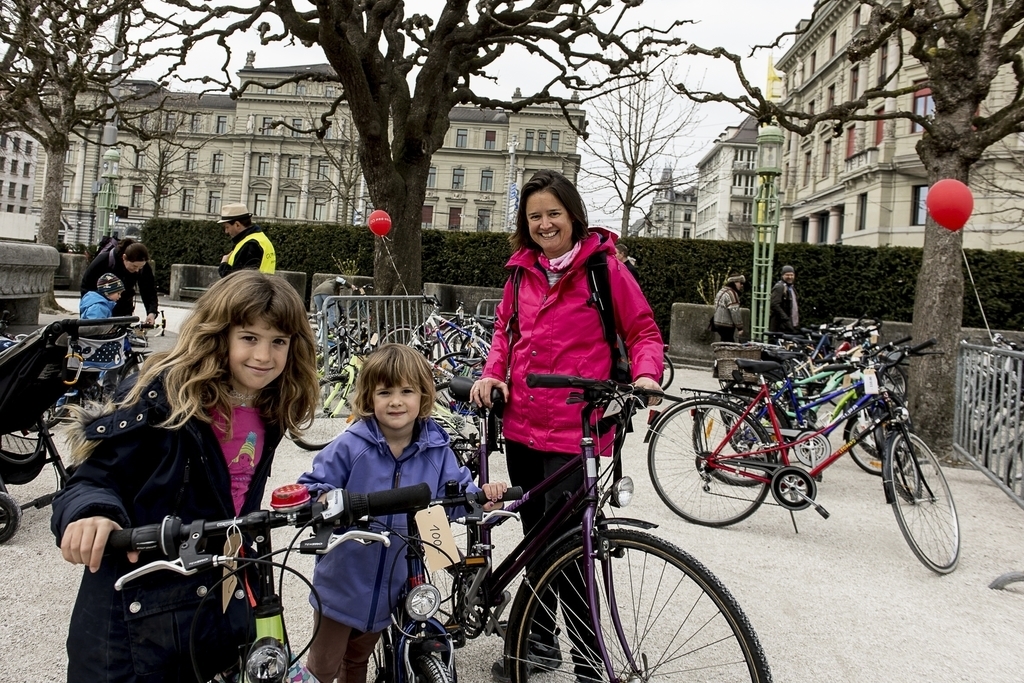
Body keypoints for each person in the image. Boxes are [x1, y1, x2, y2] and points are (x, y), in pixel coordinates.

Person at [51, 270, 319, 683]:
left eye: (278, 341)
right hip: (137, 606)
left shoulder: (270, 404)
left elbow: (236, 498)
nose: (264, 356)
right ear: (219, 334)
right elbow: (92, 478)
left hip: (216, 591)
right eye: (249, 337)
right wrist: (93, 513)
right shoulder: (164, 397)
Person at [467, 169, 663, 683]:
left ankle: (590, 665)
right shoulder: (519, 272)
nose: (545, 223)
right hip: (523, 423)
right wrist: (491, 374)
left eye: (554, 213)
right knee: (536, 539)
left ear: (573, 215)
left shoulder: (604, 270)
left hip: (579, 427)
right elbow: (504, 334)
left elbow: (642, 328)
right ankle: (539, 643)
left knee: (573, 550)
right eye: (535, 216)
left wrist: (645, 375)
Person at [296, 343, 507, 683]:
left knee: (357, 660)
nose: (396, 401)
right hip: (342, 583)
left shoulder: (437, 449)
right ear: (368, 398)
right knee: (323, 668)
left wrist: (484, 499)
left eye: (407, 391)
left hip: (393, 584)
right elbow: (311, 488)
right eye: (385, 392)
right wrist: (323, 503)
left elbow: (457, 496)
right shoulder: (351, 445)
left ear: (424, 397)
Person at [80, 238, 158, 324]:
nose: (137, 270)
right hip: (101, 307)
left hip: (125, 307)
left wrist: (151, 312)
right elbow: (86, 286)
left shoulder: (141, 264)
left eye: (140, 267)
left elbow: (149, 290)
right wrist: (93, 306)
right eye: (134, 266)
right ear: (124, 257)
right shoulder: (104, 260)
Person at [217, 203, 277, 277]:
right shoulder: (260, 239)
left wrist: (223, 266)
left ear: (237, 225)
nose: (226, 231)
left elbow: (239, 280)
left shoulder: (250, 245)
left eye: (227, 227)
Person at [712, 273, 745, 343]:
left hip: (717, 322)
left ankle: (722, 354)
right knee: (730, 345)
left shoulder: (722, 290)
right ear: (735, 282)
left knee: (724, 342)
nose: (742, 285)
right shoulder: (732, 293)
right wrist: (740, 328)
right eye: (741, 283)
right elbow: (735, 311)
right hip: (726, 324)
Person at [769, 264, 799, 334]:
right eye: (787, 275)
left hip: (790, 324)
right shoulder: (780, 287)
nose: (790, 277)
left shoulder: (791, 288)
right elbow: (774, 304)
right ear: (782, 275)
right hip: (781, 326)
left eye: (792, 275)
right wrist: (785, 319)